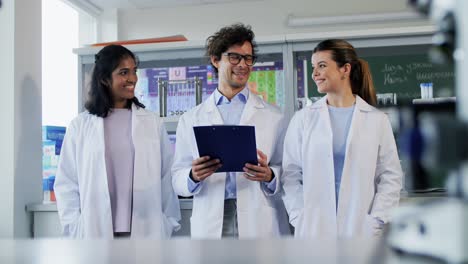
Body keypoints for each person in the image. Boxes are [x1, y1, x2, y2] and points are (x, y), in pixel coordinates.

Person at [172, 23, 290, 238]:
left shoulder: (275, 116)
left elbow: (289, 170)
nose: (243, 65)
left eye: (248, 58)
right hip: (212, 216)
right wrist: (192, 175)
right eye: (234, 57)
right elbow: (177, 176)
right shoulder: (191, 118)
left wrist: (270, 174)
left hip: (258, 216)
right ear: (216, 60)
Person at [54, 44, 181, 239]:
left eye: (133, 71)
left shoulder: (152, 122)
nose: (132, 79)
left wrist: (167, 222)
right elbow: (66, 182)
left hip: (147, 229)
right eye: (123, 72)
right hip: (95, 229)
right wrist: (74, 227)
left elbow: (167, 177)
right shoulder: (80, 126)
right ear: (105, 79)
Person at [281, 39, 403, 237]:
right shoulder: (304, 119)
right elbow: (291, 175)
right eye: (314, 67)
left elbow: (390, 176)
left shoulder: (376, 119)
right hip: (314, 229)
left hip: (361, 229)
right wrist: (300, 216)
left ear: (345, 69)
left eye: (322, 66)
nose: (314, 74)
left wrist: (377, 219)